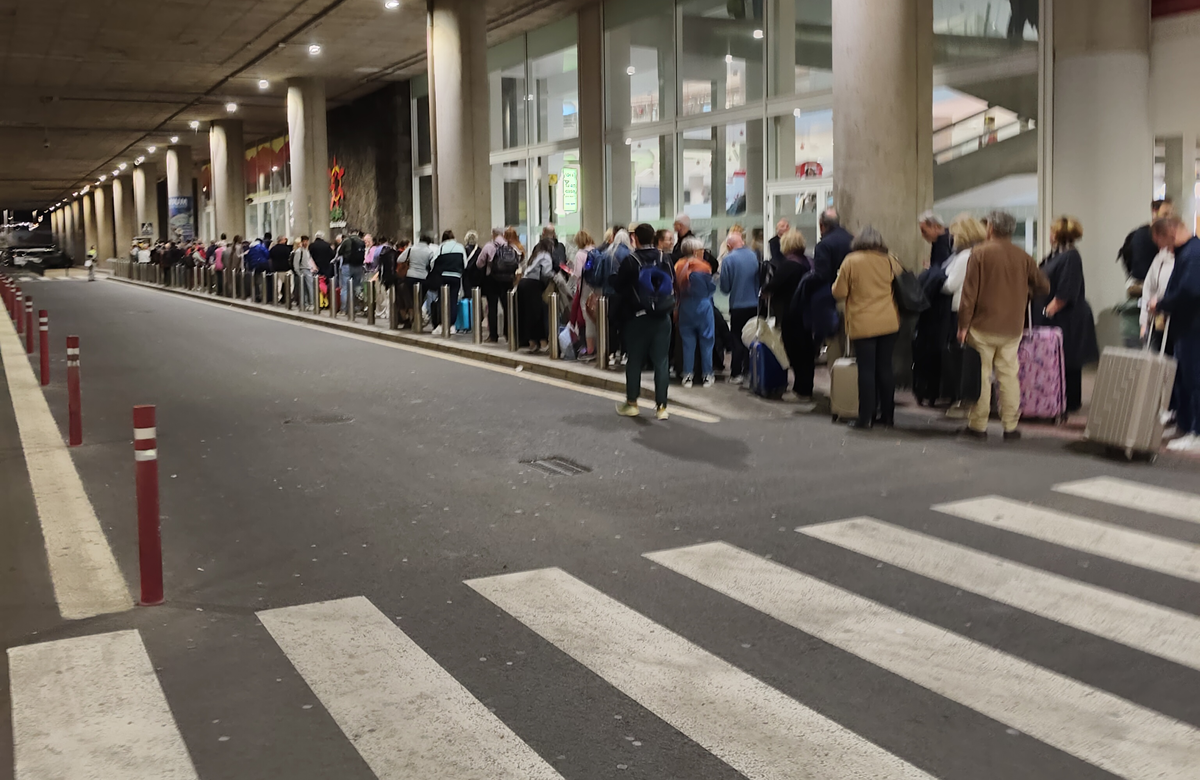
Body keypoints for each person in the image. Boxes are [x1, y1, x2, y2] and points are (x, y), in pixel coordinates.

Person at [957, 210, 1051, 441]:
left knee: (982, 375)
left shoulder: (978, 254)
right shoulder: (1023, 256)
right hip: (1012, 327)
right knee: (1009, 375)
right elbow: (1044, 287)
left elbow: (969, 295)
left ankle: (978, 425)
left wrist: (962, 326)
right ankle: (1010, 426)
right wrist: (1024, 292)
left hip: (981, 326)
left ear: (990, 227)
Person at [832, 226, 901, 429]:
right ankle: (887, 415)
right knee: (885, 369)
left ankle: (866, 417)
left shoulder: (851, 261)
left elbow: (839, 292)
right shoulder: (889, 260)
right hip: (889, 321)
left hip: (864, 322)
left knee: (866, 370)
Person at [1034, 217, 1099, 414]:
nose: (1050, 235)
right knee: (1061, 361)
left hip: (1067, 318)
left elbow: (1065, 293)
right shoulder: (1055, 256)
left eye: (1052, 231)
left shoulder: (1070, 257)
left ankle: (1069, 402)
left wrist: (1045, 313)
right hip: (1059, 316)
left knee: (1068, 360)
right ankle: (1058, 398)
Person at [1150, 215, 1200, 451]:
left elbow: (1189, 291)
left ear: (1169, 233)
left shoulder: (1193, 254)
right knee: (1183, 378)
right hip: (1185, 327)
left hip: (1193, 328)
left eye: (1162, 243)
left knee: (1194, 379)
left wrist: (1162, 304)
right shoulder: (1187, 253)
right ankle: (1185, 424)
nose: (1163, 250)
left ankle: (1196, 433)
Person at [615, 224, 674, 420]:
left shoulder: (630, 261)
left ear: (635, 239)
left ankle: (632, 403)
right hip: (662, 317)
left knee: (635, 360)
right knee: (661, 361)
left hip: (637, 317)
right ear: (654, 239)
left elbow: (620, 288)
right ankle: (662, 407)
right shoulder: (664, 258)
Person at [763, 229, 814, 398]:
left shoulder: (789, 265)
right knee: (807, 352)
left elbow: (773, 285)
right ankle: (807, 387)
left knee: (796, 352)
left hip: (791, 313)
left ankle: (800, 389)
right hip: (806, 312)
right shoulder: (808, 262)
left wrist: (765, 291)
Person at [912, 211, 955, 406]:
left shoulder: (943, 244)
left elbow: (941, 276)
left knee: (931, 348)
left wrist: (929, 274)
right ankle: (930, 390)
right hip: (938, 307)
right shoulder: (944, 244)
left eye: (924, 230)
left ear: (935, 226)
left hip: (937, 309)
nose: (923, 235)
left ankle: (930, 391)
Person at [675, 236, 718, 388]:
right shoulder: (704, 267)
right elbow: (711, 288)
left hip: (684, 306)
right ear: (695, 251)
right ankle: (707, 375)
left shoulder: (678, 266)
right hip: (703, 306)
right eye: (701, 250)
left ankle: (687, 375)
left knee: (688, 343)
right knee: (706, 341)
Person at [718, 230, 761, 382]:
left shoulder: (728, 260)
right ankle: (751, 371)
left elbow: (725, 288)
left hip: (737, 305)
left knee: (737, 338)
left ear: (729, 246)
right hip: (755, 304)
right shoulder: (754, 255)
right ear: (742, 242)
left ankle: (737, 373)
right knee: (752, 337)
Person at [476, 228, 518, 341]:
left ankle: (493, 336)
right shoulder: (510, 246)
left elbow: (479, 263)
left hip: (493, 280)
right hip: (508, 280)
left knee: (492, 307)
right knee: (507, 307)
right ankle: (509, 334)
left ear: (493, 235)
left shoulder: (489, 246)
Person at [517, 235, 554, 352]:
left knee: (527, 315)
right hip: (533, 285)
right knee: (537, 315)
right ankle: (543, 344)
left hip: (523, 284)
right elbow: (547, 272)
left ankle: (532, 343)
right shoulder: (546, 256)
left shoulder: (535, 255)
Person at [430, 230, 466, 335]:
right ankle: (452, 326)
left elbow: (433, 262)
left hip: (443, 276)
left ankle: (442, 324)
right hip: (456, 277)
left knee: (442, 300)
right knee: (453, 300)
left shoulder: (441, 247)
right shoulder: (460, 247)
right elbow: (465, 262)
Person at [571, 230, 599, 359]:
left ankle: (590, 349)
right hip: (597, 288)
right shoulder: (597, 251)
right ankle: (600, 346)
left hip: (585, 289)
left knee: (588, 318)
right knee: (598, 317)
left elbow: (578, 274)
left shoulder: (580, 254)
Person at [401, 234, 437, 329]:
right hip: (423, 277)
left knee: (410, 297)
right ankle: (417, 320)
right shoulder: (429, 251)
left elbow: (399, 259)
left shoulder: (411, 249)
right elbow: (432, 265)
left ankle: (412, 313)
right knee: (420, 299)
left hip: (410, 276)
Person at [813, 208, 853, 282]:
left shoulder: (823, 246)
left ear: (821, 225)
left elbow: (821, 276)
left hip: (832, 289)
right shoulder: (853, 240)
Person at [339, 231, 367, 315]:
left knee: (345, 288)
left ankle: (344, 309)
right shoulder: (361, 242)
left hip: (347, 265)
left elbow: (340, 252)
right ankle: (356, 307)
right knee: (357, 287)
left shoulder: (347, 240)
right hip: (358, 266)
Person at [292, 235, 314, 310]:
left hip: (308, 270)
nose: (305, 243)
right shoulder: (299, 251)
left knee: (306, 288)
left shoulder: (307, 251)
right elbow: (296, 263)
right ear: (301, 242)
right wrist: (299, 273)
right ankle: (310, 303)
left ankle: (307, 303)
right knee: (308, 288)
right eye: (304, 241)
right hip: (303, 270)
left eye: (306, 241)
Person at [269, 236, 292, 302]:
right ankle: (286, 298)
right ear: (282, 240)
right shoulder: (286, 249)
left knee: (278, 285)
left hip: (276, 269)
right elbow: (289, 258)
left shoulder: (273, 249)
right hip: (285, 268)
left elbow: (270, 257)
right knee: (287, 285)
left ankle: (277, 298)